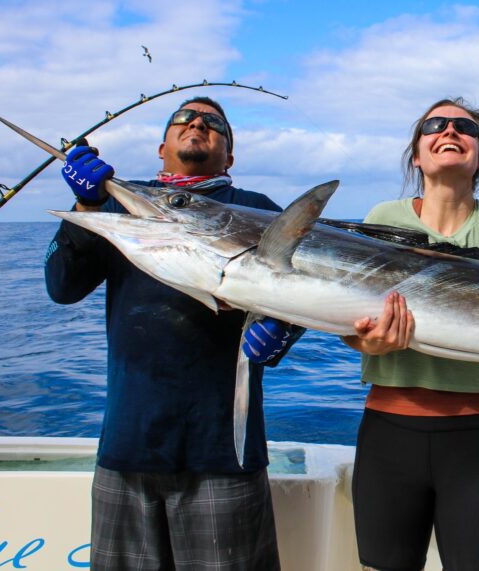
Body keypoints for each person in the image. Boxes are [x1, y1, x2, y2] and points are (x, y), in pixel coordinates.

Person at [45, 97, 298, 570]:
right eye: (183, 119)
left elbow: (302, 295)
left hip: (223, 449)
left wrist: (283, 329)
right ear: (162, 147)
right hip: (127, 443)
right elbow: (63, 287)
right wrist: (87, 205)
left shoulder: (260, 212)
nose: (197, 123)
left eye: (213, 123)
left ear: (231, 155)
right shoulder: (125, 207)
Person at [345, 97, 479, 571]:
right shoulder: (382, 220)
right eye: (435, 125)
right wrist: (365, 342)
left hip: (476, 436)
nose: (451, 131)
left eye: (466, 128)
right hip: (388, 432)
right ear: (417, 155)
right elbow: (351, 320)